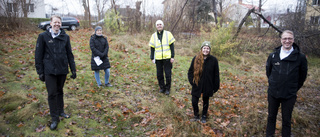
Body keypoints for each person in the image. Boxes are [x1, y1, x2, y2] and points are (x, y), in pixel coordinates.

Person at [35, 15, 77, 130]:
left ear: (61, 24)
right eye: (55, 22)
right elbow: (38, 55)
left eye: (59, 22)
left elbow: (69, 54)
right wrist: (40, 71)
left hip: (62, 70)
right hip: (49, 71)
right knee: (52, 94)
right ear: (51, 23)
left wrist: (73, 69)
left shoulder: (65, 37)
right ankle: (54, 118)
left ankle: (61, 111)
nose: (57, 24)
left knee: (60, 91)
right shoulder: (43, 36)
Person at [265, 30, 308, 137]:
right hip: (273, 93)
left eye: (289, 38)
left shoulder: (300, 57)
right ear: (281, 40)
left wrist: (293, 88)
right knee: (271, 117)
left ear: (293, 40)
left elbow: (302, 76)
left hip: (289, 95)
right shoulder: (273, 56)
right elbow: (268, 72)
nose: (287, 41)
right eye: (285, 38)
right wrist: (274, 83)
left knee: (286, 120)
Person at [187, 41, 220, 123]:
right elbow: (190, 72)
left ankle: (204, 115)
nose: (206, 50)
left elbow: (216, 74)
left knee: (206, 100)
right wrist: (192, 82)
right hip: (197, 84)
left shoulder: (214, 60)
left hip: (208, 84)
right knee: (194, 101)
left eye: (208, 48)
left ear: (209, 50)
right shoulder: (196, 58)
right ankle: (196, 115)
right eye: (204, 48)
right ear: (201, 49)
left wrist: (215, 87)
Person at [149, 20, 175, 95]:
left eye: (160, 24)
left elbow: (172, 46)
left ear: (163, 26)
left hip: (167, 58)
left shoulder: (168, 34)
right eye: (157, 25)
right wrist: (152, 57)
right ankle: (162, 87)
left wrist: (172, 57)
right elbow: (152, 48)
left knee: (168, 74)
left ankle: (167, 88)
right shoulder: (153, 36)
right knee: (159, 74)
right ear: (156, 26)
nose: (159, 26)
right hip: (158, 59)